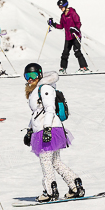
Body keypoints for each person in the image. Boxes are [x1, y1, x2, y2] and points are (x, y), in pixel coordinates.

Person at [23, 62, 85, 202]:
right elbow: (37, 112)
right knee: (55, 161)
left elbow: (50, 109)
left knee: (45, 161)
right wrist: (29, 130)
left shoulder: (45, 88)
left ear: (39, 75)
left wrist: (47, 129)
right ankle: (75, 185)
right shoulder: (36, 89)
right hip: (45, 128)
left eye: (33, 75)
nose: (30, 79)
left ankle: (50, 191)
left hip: (49, 128)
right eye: (27, 76)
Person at [48, 0, 89, 73]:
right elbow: (61, 26)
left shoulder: (72, 13)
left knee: (77, 51)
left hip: (75, 35)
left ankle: (84, 67)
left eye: (61, 7)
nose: (60, 8)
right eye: (59, 7)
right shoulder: (63, 16)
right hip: (68, 37)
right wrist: (53, 24)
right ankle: (63, 68)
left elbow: (78, 23)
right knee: (65, 53)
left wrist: (75, 29)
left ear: (65, 6)